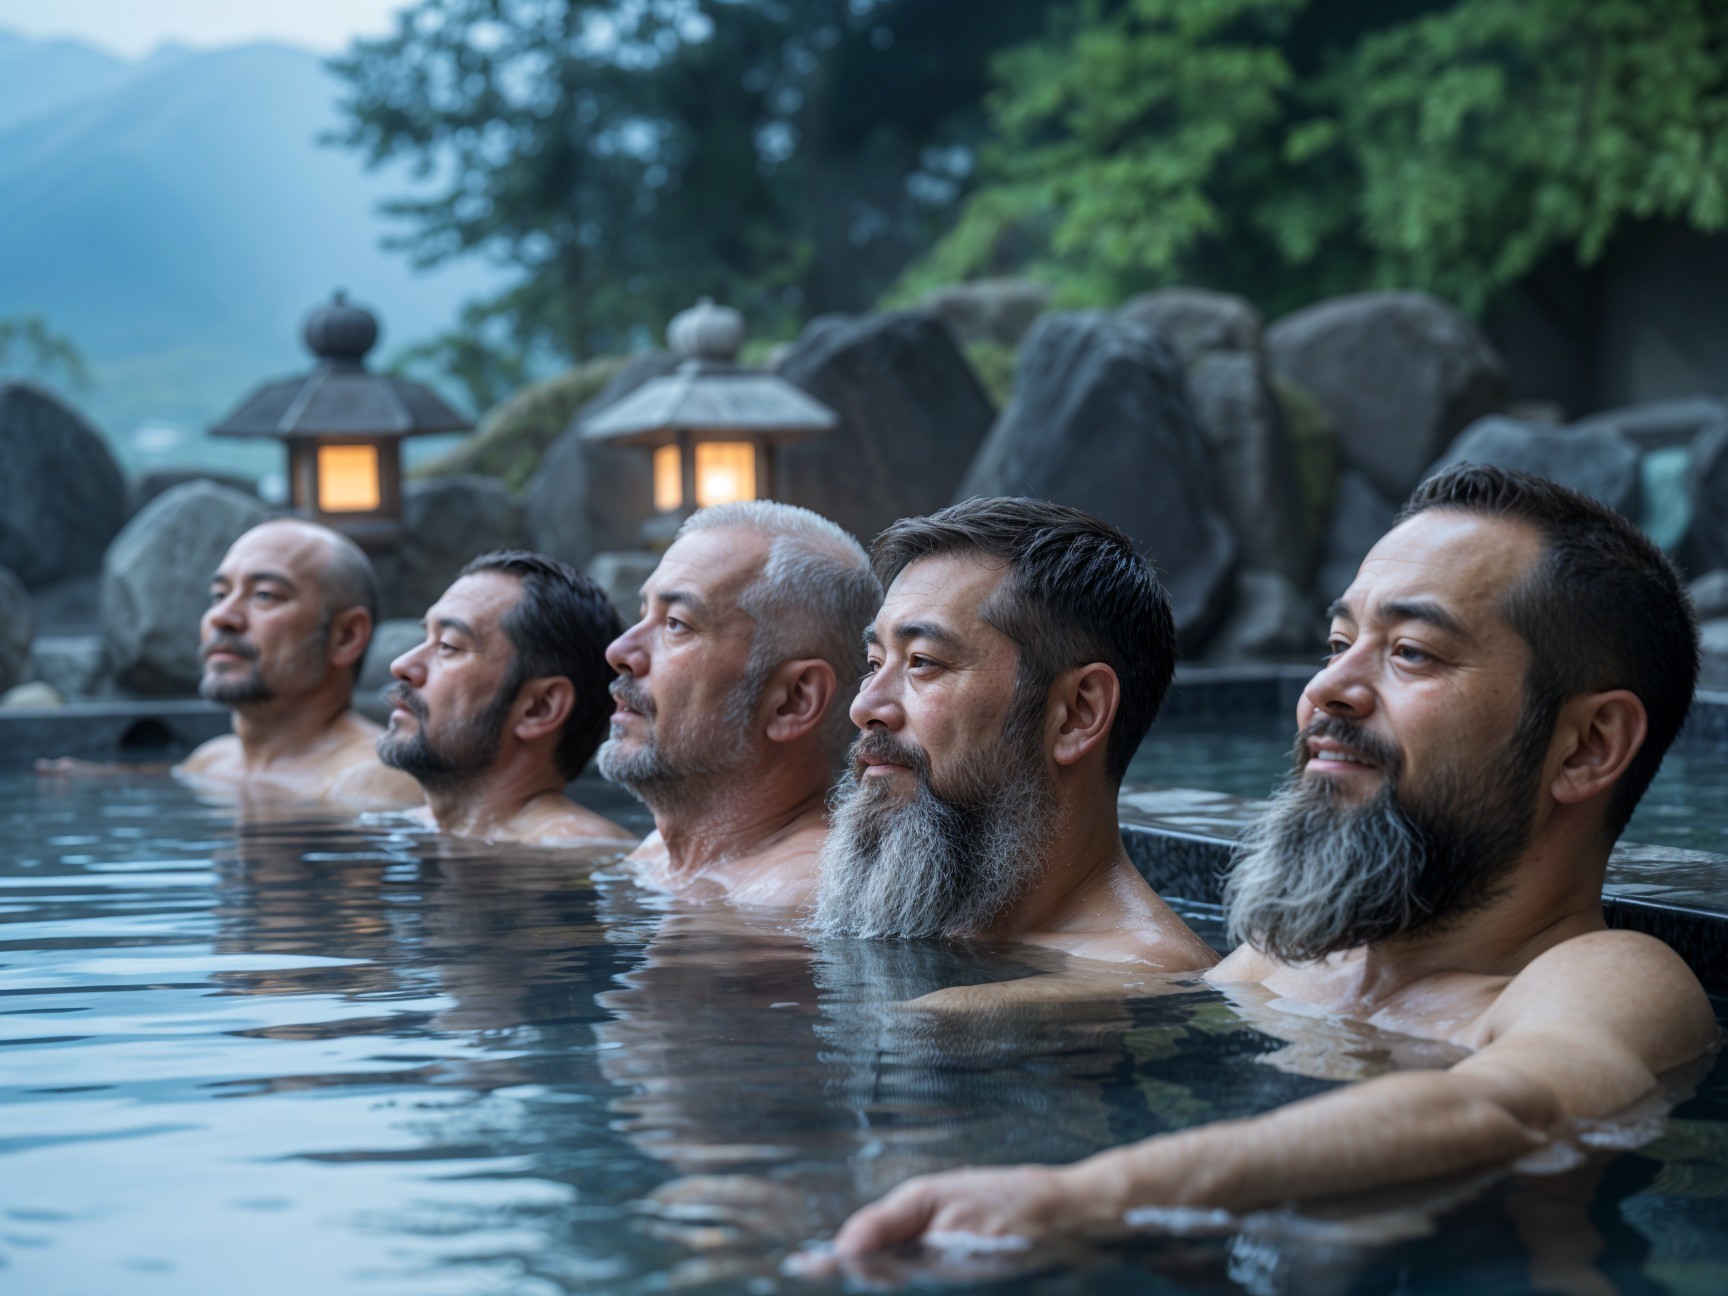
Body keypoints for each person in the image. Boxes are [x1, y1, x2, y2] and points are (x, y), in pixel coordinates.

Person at [830, 465, 1718, 1255]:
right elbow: (1156, 997)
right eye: (1338, 645)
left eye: (1410, 652)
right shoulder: (1291, 966)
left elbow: (1510, 1107)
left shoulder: (1608, 977)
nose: (1326, 688)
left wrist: (1090, 1195)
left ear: (1587, 746)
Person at [812, 496, 1218, 974]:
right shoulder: (930, 923)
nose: (864, 708)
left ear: (1076, 714)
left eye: (923, 662)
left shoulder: (1138, 972)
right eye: (875, 664)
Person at [598, 501, 881, 907]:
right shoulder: (655, 856)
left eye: (676, 623)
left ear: (793, 700)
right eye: (643, 614)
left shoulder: (803, 898)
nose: (619, 650)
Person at [379, 550, 633, 846]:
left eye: (448, 645)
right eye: (426, 638)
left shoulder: (578, 851)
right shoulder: (408, 826)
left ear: (539, 708)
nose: (401, 665)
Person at [178, 518, 421, 807]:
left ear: (346, 636)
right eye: (220, 594)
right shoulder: (208, 764)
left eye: (264, 595)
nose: (221, 617)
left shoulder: (373, 782)